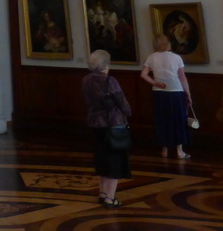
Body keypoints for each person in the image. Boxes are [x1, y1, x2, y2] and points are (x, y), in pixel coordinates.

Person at [82, 49, 131, 207]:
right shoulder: (110, 81)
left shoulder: (86, 80)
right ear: (105, 65)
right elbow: (122, 102)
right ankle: (110, 197)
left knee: (101, 158)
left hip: (95, 124)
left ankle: (102, 193)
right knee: (114, 161)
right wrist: (128, 112)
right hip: (112, 124)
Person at [140, 33, 192, 158]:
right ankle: (179, 150)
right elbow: (182, 78)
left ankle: (164, 149)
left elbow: (143, 75)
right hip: (176, 91)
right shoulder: (176, 57)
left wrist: (155, 82)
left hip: (159, 93)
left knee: (162, 120)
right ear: (168, 43)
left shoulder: (151, 57)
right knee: (178, 120)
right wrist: (188, 94)